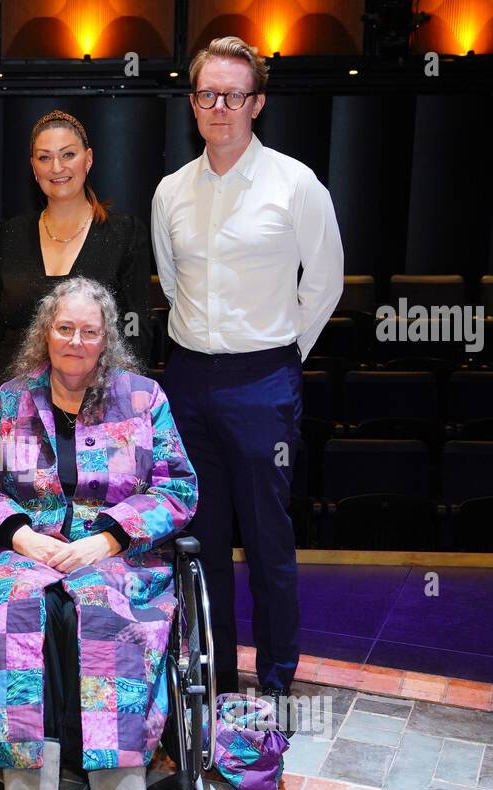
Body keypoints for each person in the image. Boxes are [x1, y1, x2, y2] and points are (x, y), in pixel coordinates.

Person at [0, 276, 197, 790]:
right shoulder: (13, 401)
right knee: (14, 615)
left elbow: (178, 487)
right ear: (46, 331)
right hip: (30, 557)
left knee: (106, 614)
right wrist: (22, 536)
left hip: (115, 560)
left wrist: (106, 538)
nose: (76, 341)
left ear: (106, 340)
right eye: (65, 328)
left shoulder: (143, 400)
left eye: (90, 331)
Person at [151, 36, 343, 732]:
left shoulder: (296, 185)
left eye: (235, 95)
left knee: (267, 539)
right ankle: (212, 674)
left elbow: (323, 286)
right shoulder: (171, 190)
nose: (220, 108)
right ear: (193, 101)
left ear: (257, 103)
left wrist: (281, 359)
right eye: (207, 94)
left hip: (265, 378)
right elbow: (172, 284)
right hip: (189, 380)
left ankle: (278, 681)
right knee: (199, 541)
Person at [0, 109, 151, 440]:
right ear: (33, 167)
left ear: (88, 160)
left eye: (68, 155)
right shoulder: (11, 234)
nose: (57, 168)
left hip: (100, 415)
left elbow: (135, 333)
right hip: (14, 416)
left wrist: (123, 412)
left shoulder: (123, 232)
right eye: (44, 158)